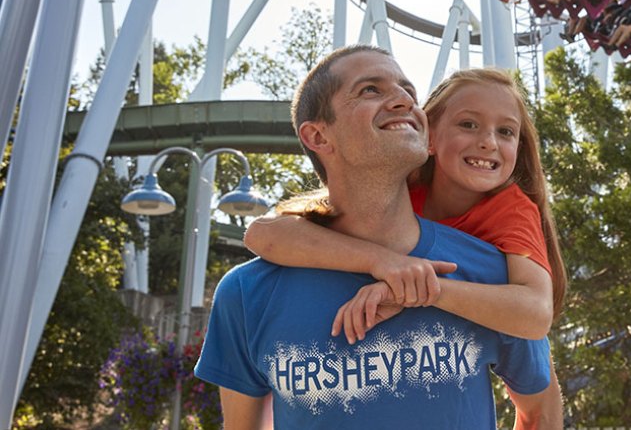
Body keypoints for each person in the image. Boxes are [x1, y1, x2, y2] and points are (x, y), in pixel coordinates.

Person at [195, 47, 560, 428]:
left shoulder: (495, 276)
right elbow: (262, 232)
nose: (404, 100)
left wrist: (419, 286)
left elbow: (541, 412)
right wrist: (386, 264)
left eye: (409, 92)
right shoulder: (246, 293)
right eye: (371, 90)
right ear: (318, 135)